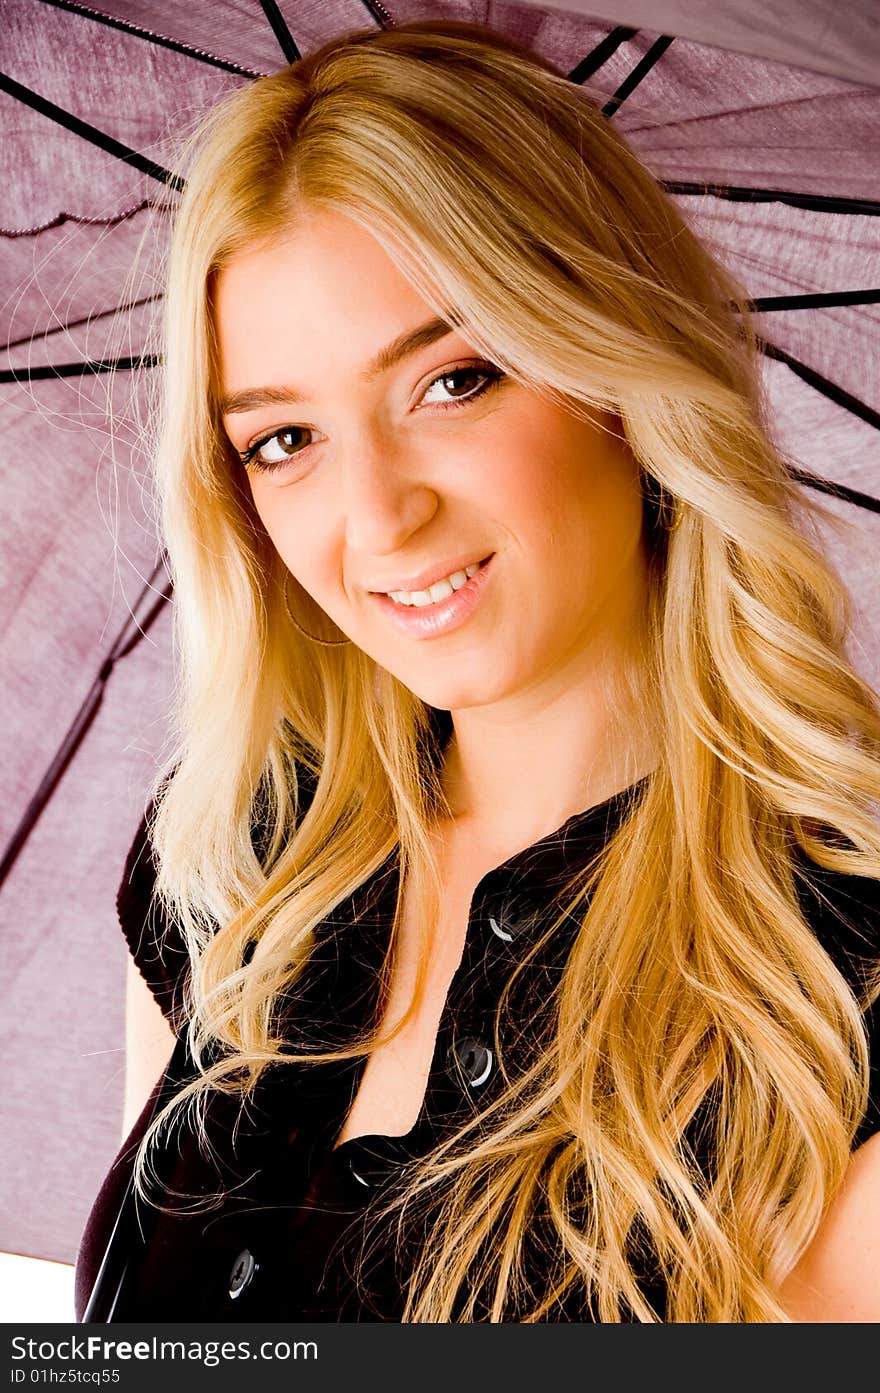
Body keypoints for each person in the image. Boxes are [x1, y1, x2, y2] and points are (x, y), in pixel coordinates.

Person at [74, 18, 880, 1323]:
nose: (377, 518)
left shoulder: (833, 987)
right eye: (284, 438)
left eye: (453, 380)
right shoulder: (230, 865)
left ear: (619, 368)